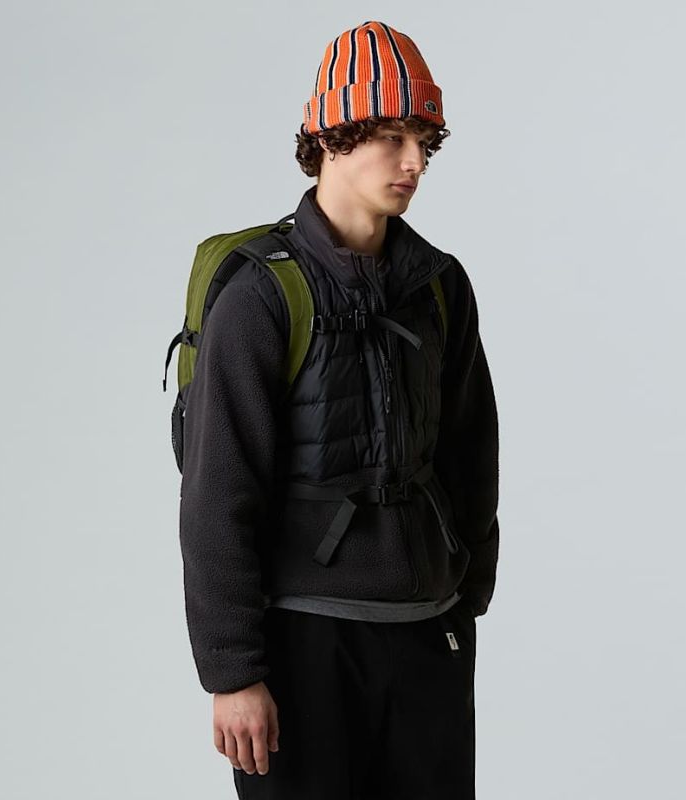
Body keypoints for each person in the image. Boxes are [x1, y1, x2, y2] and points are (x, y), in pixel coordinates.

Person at [178, 20, 500, 800]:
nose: (414, 161)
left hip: (427, 630)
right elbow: (218, 491)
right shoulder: (261, 295)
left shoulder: (439, 285)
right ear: (330, 138)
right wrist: (233, 671)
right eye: (392, 137)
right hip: (301, 638)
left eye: (424, 140)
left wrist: (466, 595)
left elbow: (472, 452)